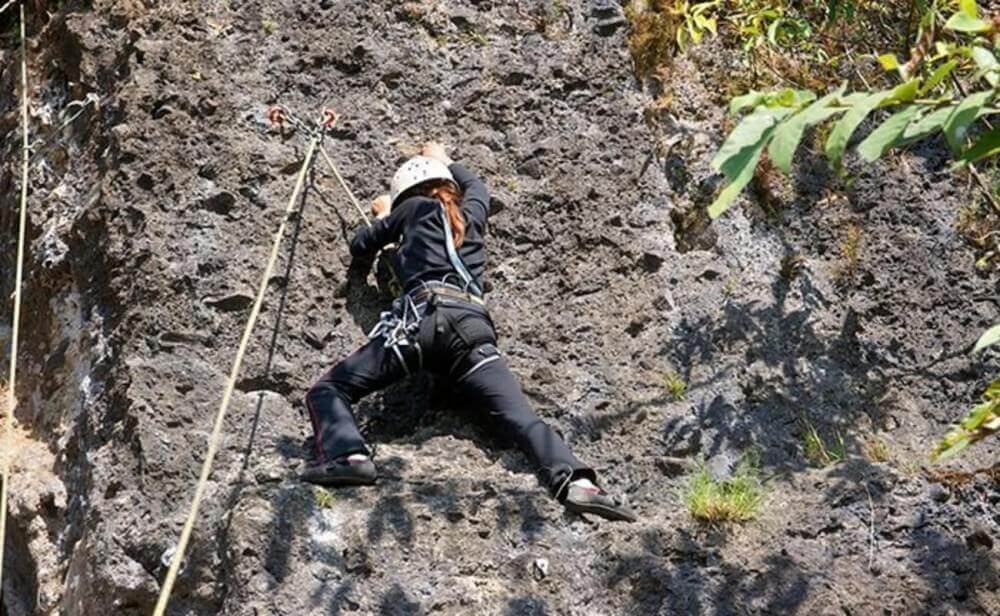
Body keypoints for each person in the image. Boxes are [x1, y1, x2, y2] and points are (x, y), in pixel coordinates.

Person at [301, 142, 635, 522]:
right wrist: (446, 159)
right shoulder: (471, 215)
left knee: (328, 389)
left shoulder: (411, 208)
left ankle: (348, 454)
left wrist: (383, 216)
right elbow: (477, 187)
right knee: (522, 419)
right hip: (473, 333)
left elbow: (360, 246)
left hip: (424, 323)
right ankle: (578, 483)